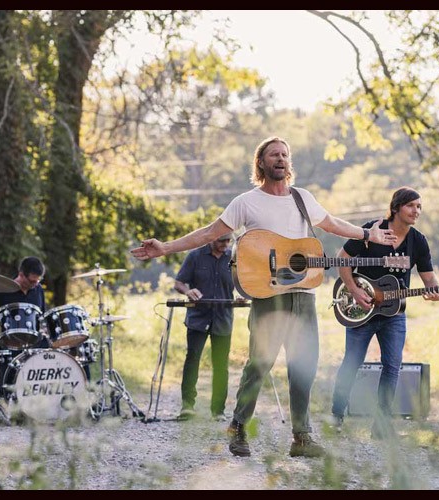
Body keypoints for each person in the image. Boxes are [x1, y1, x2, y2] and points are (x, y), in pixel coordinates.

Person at [131, 136, 397, 458]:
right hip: (267, 294)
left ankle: (302, 438)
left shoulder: (302, 199)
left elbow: (332, 224)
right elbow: (208, 233)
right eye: (275, 154)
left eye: (285, 154)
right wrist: (166, 248)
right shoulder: (246, 202)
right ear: (261, 162)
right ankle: (239, 427)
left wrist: (367, 234)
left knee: (304, 365)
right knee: (260, 363)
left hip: (302, 294)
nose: (281, 159)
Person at [329, 187, 439, 439]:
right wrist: (353, 289)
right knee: (352, 362)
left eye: (419, 206)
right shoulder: (373, 229)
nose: (417, 211)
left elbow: (428, 276)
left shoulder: (418, 241)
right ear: (396, 208)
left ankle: (381, 423)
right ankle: (336, 414)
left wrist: (434, 290)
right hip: (362, 309)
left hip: (394, 312)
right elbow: (342, 258)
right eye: (411, 206)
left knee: (393, 366)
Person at [174, 233, 239, 422]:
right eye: (221, 240)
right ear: (212, 238)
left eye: (228, 241)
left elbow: (244, 283)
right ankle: (187, 407)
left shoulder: (234, 258)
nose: (225, 245)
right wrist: (188, 291)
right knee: (192, 359)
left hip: (223, 317)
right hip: (198, 317)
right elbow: (179, 283)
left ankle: (217, 411)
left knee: (221, 365)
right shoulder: (195, 256)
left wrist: (243, 294)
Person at [0, 256, 49, 350]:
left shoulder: (38, 289)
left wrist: (44, 330)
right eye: (32, 281)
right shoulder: (3, 290)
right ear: (21, 275)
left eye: (38, 280)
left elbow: (43, 318)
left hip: (35, 347)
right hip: (11, 346)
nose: (35, 284)